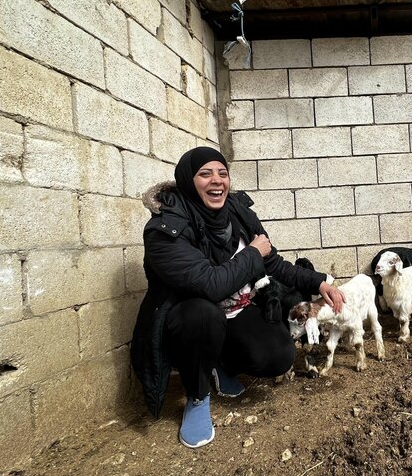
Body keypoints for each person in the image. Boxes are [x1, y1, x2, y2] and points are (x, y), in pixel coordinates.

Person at [131, 147, 345, 448]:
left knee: (277, 356)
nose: (216, 180)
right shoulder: (166, 229)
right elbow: (210, 284)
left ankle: (221, 364)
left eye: (222, 173)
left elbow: (272, 263)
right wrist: (253, 252)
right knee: (201, 315)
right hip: (191, 319)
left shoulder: (238, 213)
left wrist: (320, 280)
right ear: (188, 180)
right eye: (205, 174)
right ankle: (197, 395)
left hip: (235, 310)